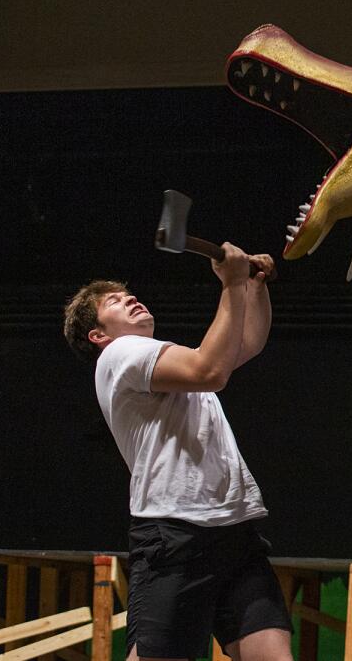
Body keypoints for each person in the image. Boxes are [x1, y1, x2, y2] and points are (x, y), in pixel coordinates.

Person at [62, 244, 293, 661]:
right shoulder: (119, 354)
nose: (129, 298)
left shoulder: (161, 360)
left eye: (128, 293)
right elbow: (211, 371)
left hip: (234, 528)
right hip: (176, 533)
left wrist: (254, 287)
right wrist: (232, 282)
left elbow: (247, 343)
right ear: (98, 335)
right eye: (114, 301)